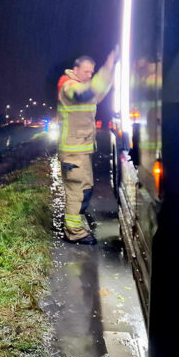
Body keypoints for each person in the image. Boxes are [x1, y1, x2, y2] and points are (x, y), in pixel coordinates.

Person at [57, 52, 115, 244]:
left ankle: (75, 226)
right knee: (77, 192)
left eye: (92, 72)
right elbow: (87, 92)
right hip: (73, 152)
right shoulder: (68, 86)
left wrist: (111, 72)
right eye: (86, 71)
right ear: (75, 70)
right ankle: (74, 233)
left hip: (80, 150)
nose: (90, 75)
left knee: (85, 190)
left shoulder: (82, 87)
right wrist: (106, 69)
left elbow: (97, 94)